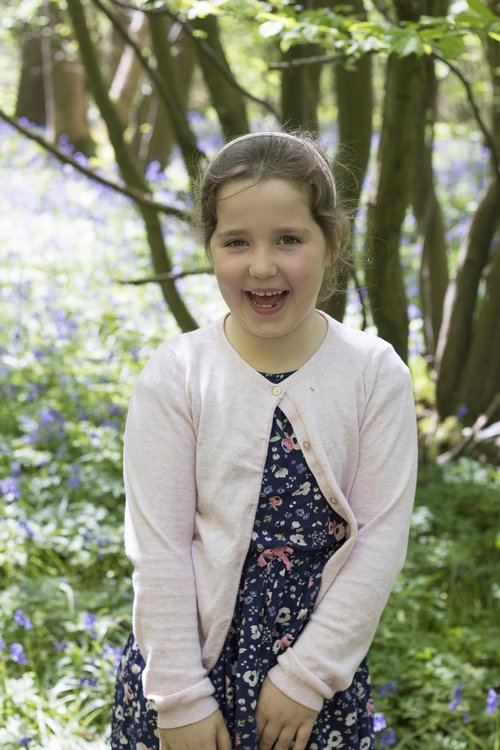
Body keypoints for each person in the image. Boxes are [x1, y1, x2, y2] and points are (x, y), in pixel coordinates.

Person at [110, 131, 418, 750]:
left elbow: (379, 538)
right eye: (236, 242)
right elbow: (159, 547)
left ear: (332, 244)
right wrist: (180, 699)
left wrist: (309, 675)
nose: (261, 265)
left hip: (314, 679)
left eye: (288, 239)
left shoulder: (373, 372)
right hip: (188, 667)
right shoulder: (179, 374)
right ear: (211, 249)